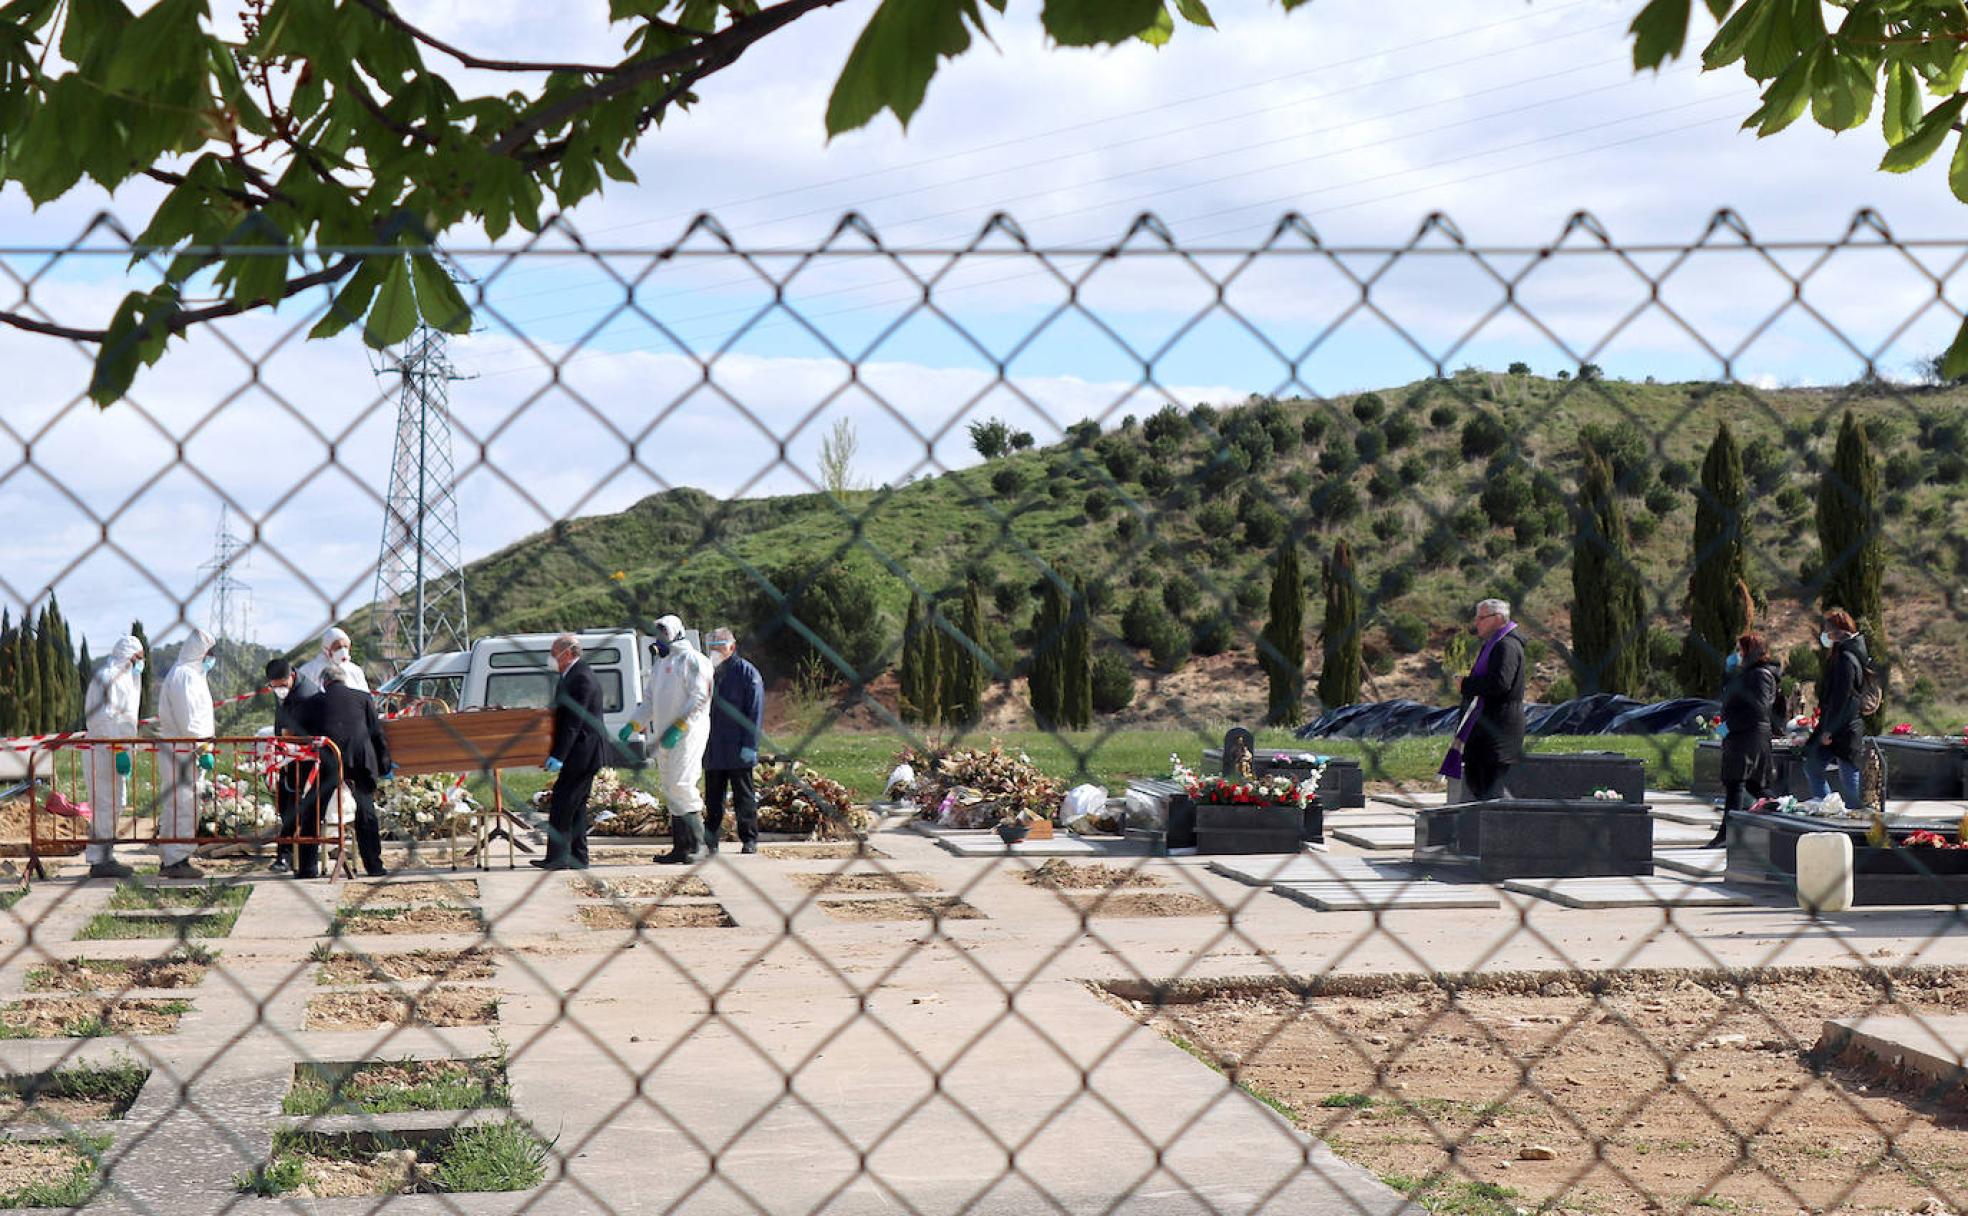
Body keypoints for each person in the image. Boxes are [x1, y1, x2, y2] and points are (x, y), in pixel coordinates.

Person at [628, 615, 713, 865]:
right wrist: (634, 723)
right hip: (663, 734)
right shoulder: (661, 665)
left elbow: (700, 698)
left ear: (676, 632)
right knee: (670, 787)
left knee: (683, 784)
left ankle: (699, 844)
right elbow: (650, 701)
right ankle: (680, 846)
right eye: (657, 633)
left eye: (663, 632)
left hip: (687, 732)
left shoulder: (694, 660)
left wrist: (681, 725)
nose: (659, 638)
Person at [297, 663, 393, 877]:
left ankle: (308, 866)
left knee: (314, 810)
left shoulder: (314, 702)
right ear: (344, 680)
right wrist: (384, 763)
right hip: (360, 759)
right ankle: (374, 865)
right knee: (366, 810)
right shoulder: (363, 698)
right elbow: (377, 734)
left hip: (330, 759)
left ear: (324, 682)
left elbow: (307, 737)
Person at [1706, 633, 1785, 848]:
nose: (1737, 655)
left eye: (1740, 650)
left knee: (1739, 785)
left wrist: (1729, 726)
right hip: (1741, 736)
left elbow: (1758, 709)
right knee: (1750, 785)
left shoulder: (1760, 675)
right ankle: (1780, 812)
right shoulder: (1747, 674)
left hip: (1749, 737)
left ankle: (1727, 835)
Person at [536, 634, 604, 871]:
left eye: (554, 651)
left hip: (582, 753)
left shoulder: (581, 678)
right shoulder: (569, 676)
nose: (551, 656)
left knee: (563, 805)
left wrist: (559, 756)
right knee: (575, 807)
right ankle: (578, 856)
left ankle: (558, 858)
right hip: (579, 752)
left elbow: (573, 722)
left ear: (567, 653)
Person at [1448, 598, 1525, 801]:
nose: (1476, 623)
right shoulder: (1495, 645)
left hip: (1498, 729)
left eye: (1481, 618)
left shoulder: (1506, 646)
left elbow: (1500, 683)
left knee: (1491, 788)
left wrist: (1466, 685)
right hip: (1487, 728)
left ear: (1498, 618)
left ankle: (1509, 826)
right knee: (1478, 781)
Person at [81, 635, 145, 880]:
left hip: (114, 749)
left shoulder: (126, 678)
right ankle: (99, 859)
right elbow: (105, 717)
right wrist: (118, 747)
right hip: (104, 749)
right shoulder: (109, 677)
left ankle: (106, 853)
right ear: (129, 656)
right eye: (138, 658)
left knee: (115, 802)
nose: (141, 663)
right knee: (105, 803)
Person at [156, 628, 217, 880]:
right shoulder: (185, 676)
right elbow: (189, 720)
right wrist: (202, 745)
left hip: (185, 750)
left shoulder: (190, 674)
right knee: (183, 804)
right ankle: (177, 858)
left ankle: (172, 856)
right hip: (184, 750)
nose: (212, 658)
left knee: (181, 803)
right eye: (209, 653)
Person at [702, 627, 765, 855]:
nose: (716, 650)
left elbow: (754, 712)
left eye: (721, 645)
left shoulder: (747, 674)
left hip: (739, 747)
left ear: (732, 647)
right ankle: (711, 841)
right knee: (713, 800)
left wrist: (751, 745)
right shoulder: (708, 672)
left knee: (744, 798)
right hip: (714, 747)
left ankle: (749, 839)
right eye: (712, 646)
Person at [1807, 608, 1869, 806]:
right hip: (1842, 725)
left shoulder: (1846, 659)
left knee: (1849, 776)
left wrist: (1829, 730)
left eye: (1828, 631)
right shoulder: (1847, 654)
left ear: (1839, 631)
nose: (1825, 636)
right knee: (1815, 766)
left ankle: (1851, 813)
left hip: (1843, 727)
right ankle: (1828, 805)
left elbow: (1842, 697)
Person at [264, 658, 319, 876]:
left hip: (304, 757)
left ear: (291, 677)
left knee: (295, 806)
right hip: (288, 754)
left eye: (281, 685)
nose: (278, 690)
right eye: (273, 686)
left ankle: (287, 855)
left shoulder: (306, 693)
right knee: (287, 804)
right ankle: (285, 853)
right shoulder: (285, 690)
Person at [296, 626, 369, 697]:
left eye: (346, 647)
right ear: (327, 649)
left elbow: (365, 695)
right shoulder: (309, 670)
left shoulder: (355, 670)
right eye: (338, 647)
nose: (343, 651)